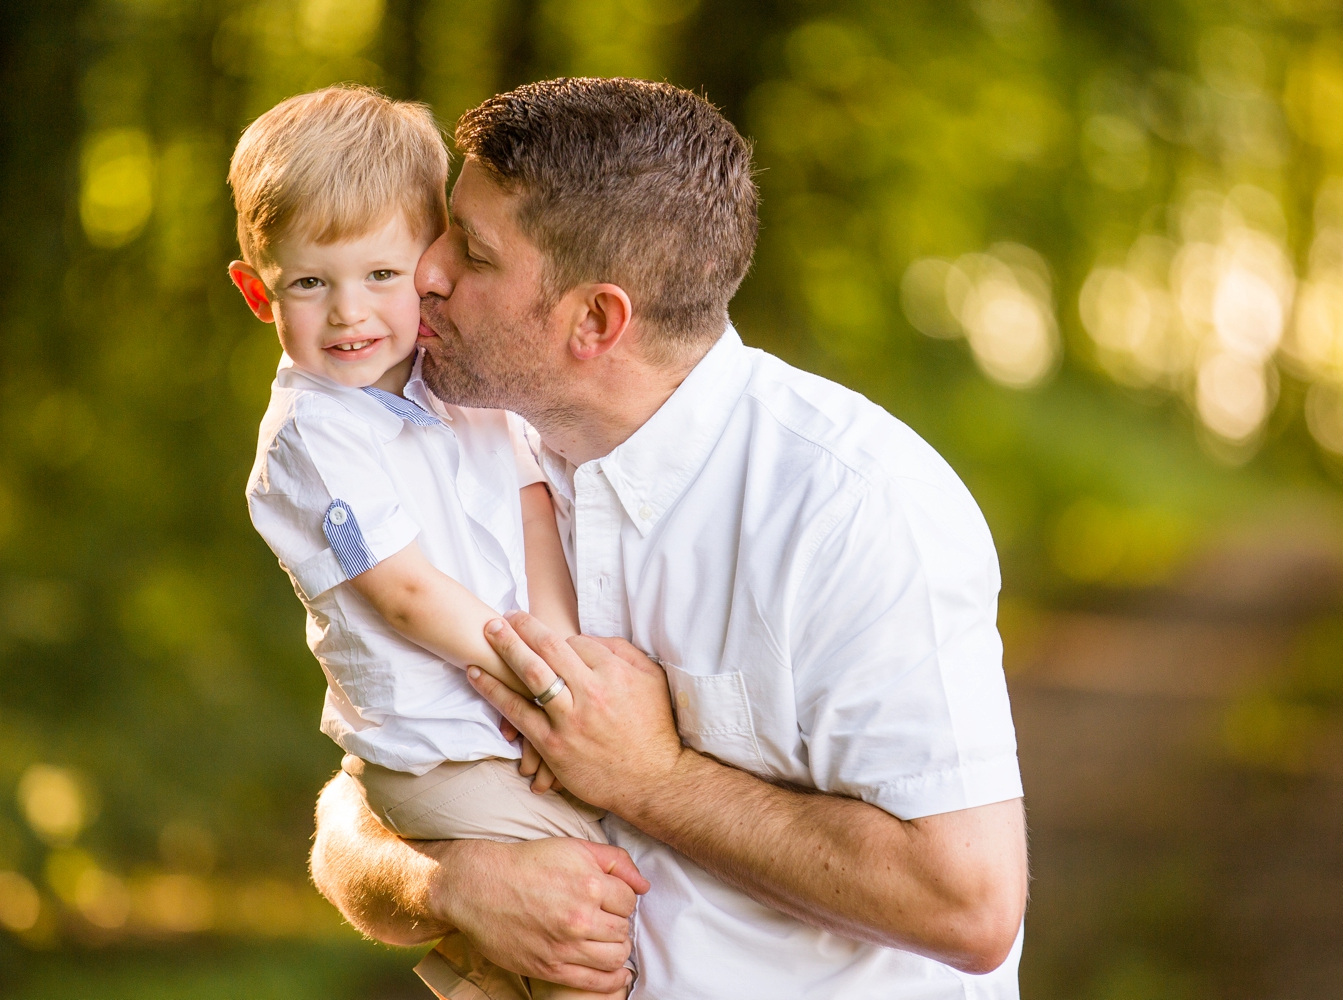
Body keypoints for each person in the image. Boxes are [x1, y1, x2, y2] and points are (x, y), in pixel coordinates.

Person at [309, 77, 1030, 999]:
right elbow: (349, 814)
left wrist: (651, 776)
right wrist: (447, 884)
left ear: (597, 321)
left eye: (474, 256)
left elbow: (967, 905)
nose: (426, 271)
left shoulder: (854, 507)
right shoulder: (461, 459)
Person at [227, 84, 630, 1000]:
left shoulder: (459, 381)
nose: (348, 316)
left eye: (381, 275)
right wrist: (543, 682)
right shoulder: (314, 435)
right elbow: (402, 590)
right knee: (584, 937)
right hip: (440, 748)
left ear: (433, 264)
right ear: (259, 291)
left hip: (511, 711)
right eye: (309, 283)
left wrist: (561, 640)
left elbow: (531, 505)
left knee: (538, 950)